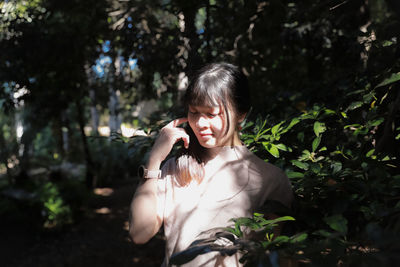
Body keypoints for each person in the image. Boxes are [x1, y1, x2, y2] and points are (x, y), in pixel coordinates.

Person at [129, 62, 293, 266]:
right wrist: (154, 160)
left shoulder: (270, 179)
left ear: (241, 114)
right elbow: (139, 233)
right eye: (193, 112)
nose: (199, 123)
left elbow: (272, 257)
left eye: (211, 114)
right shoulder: (174, 169)